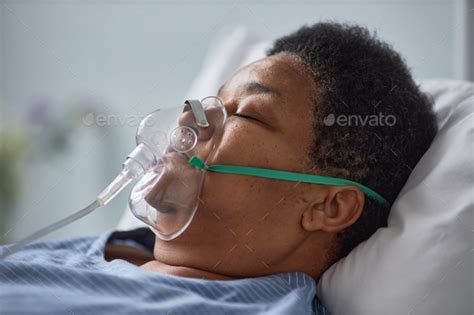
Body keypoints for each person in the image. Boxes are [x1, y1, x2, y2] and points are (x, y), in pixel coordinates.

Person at [0, 22, 437, 314]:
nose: (190, 118)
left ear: (329, 206)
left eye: (246, 114)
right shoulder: (80, 255)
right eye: (211, 102)